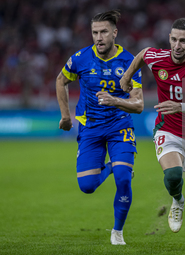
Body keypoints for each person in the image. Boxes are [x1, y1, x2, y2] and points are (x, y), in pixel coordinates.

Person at [121, 18, 185, 251]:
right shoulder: (158, 58)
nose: (177, 45)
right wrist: (126, 75)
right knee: (173, 176)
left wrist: (179, 106)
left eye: (183, 40)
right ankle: (177, 200)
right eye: (173, 39)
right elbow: (143, 54)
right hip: (168, 129)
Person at [56, 10, 143, 245]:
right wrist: (65, 116)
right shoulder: (81, 58)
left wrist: (116, 101)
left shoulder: (129, 62)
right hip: (90, 128)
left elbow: (139, 104)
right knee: (87, 186)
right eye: (95, 32)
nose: (99, 37)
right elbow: (61, 80)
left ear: (115, 33)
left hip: (119, 126)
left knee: (124, 178)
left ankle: (117, 232)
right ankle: (114, 167)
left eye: (104, 32)